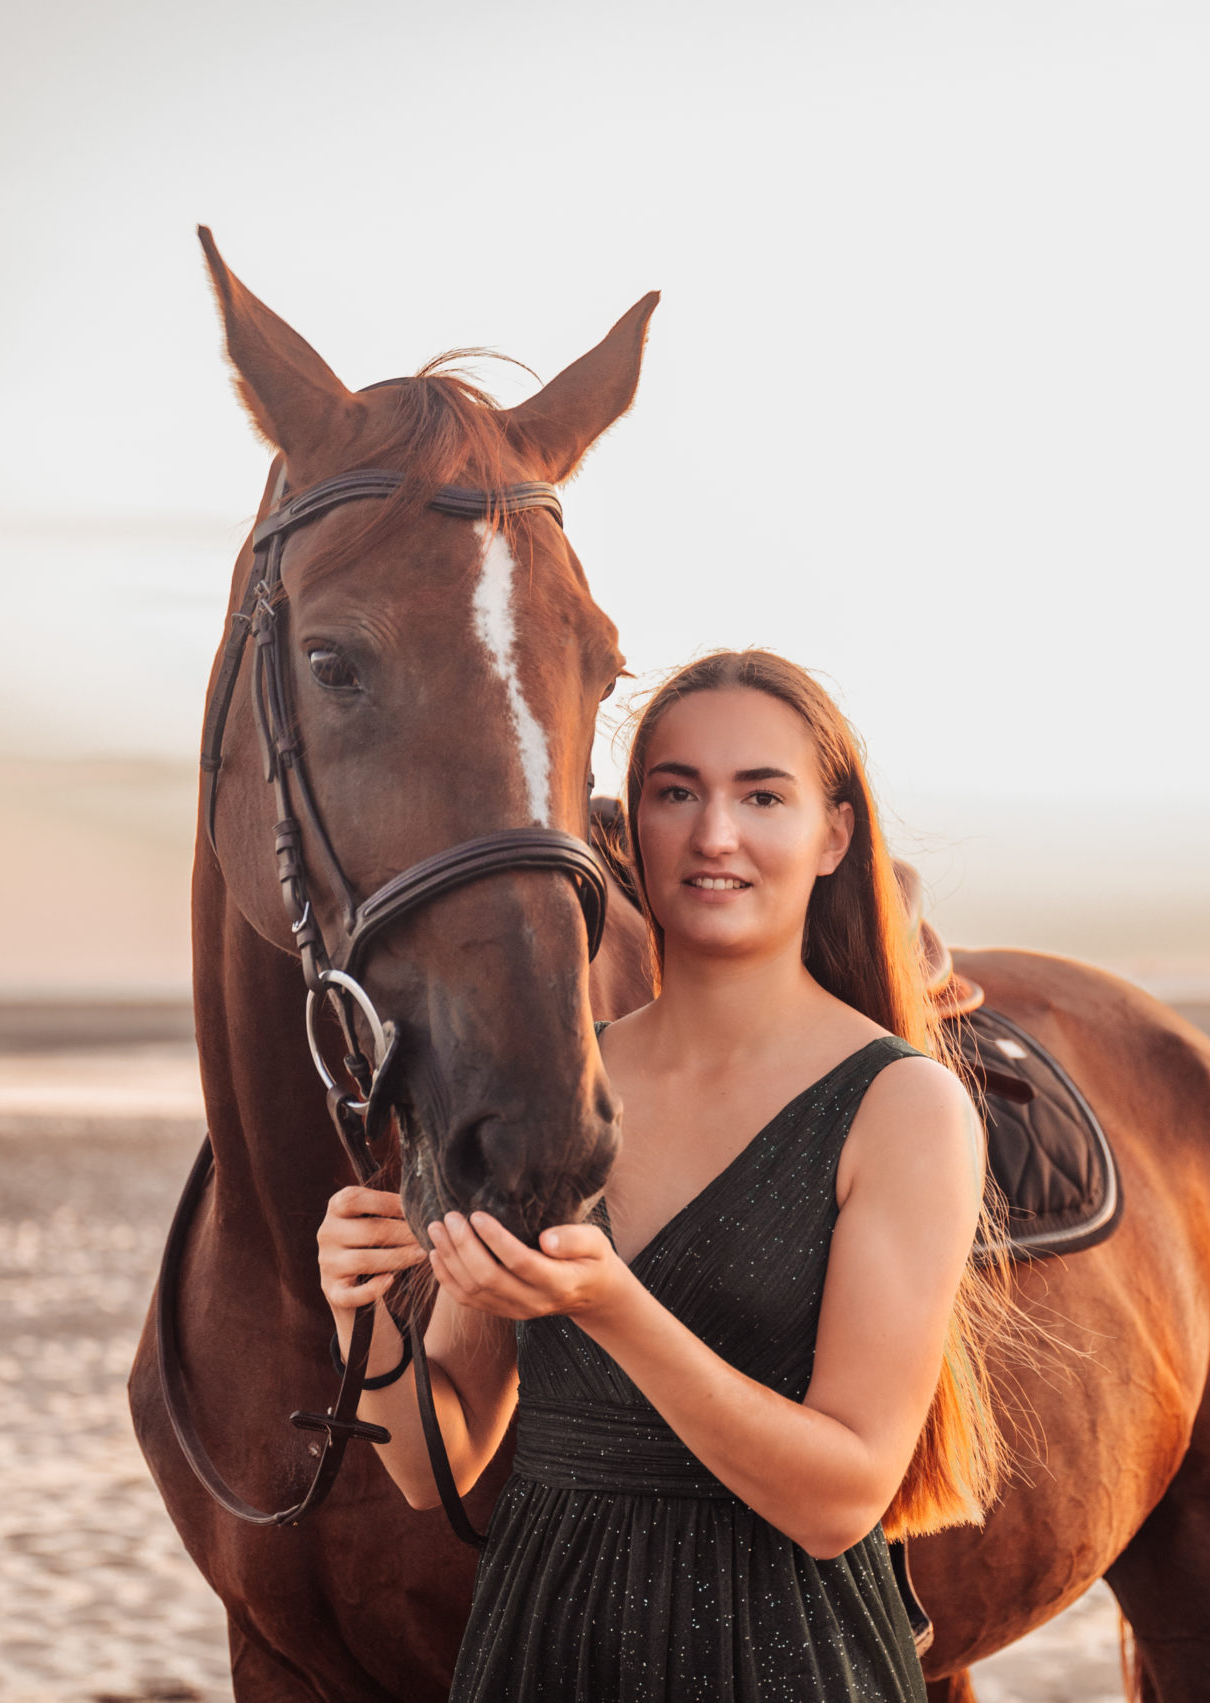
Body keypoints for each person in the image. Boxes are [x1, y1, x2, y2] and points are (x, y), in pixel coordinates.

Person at [315, 648, 1003, 1701]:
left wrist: (607, 1305)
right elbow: (433, 1459)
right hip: (540, 1646)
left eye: (760, 794)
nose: (712, 834)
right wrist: (361, 1310)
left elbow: (842, 1496)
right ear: (630, 831)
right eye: (674, 792)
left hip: (783, 1656)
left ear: (833, 834)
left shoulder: (903, 1107)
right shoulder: (554, 1086)